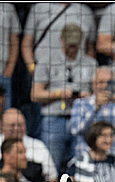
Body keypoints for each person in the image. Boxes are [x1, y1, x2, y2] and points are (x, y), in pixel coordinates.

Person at [32, 24, 98, 173]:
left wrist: (85, 98)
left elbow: (98, 95)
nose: (71, 49)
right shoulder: (46, 61)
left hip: (82, 120)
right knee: (51, 168)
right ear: (61, 39)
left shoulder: (91, 63)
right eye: (69, 44)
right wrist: (58, 94)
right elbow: (35, 94)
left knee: (81, 167)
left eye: (75, 45)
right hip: (54, 118)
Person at [69, 67, 115, 163]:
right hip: (87, 161)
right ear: (93, 84)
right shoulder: (81, 103)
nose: (105, 86)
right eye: (101, 82)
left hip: (114, 162)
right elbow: (75, 131)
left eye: (109, 82)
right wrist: (95, 108)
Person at [0, 109, 56, 182]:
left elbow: (52, 178)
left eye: (20, 125)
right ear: (2, 127)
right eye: (12, 125)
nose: (16, 129)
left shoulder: (39, 147)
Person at [22, 3, 96, 76]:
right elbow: (26, 43)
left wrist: (88, 72)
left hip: (76, 74)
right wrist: (32, 68)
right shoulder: (39, 8)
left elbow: (90, 47)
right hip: (45, 71)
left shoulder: (86, 11)